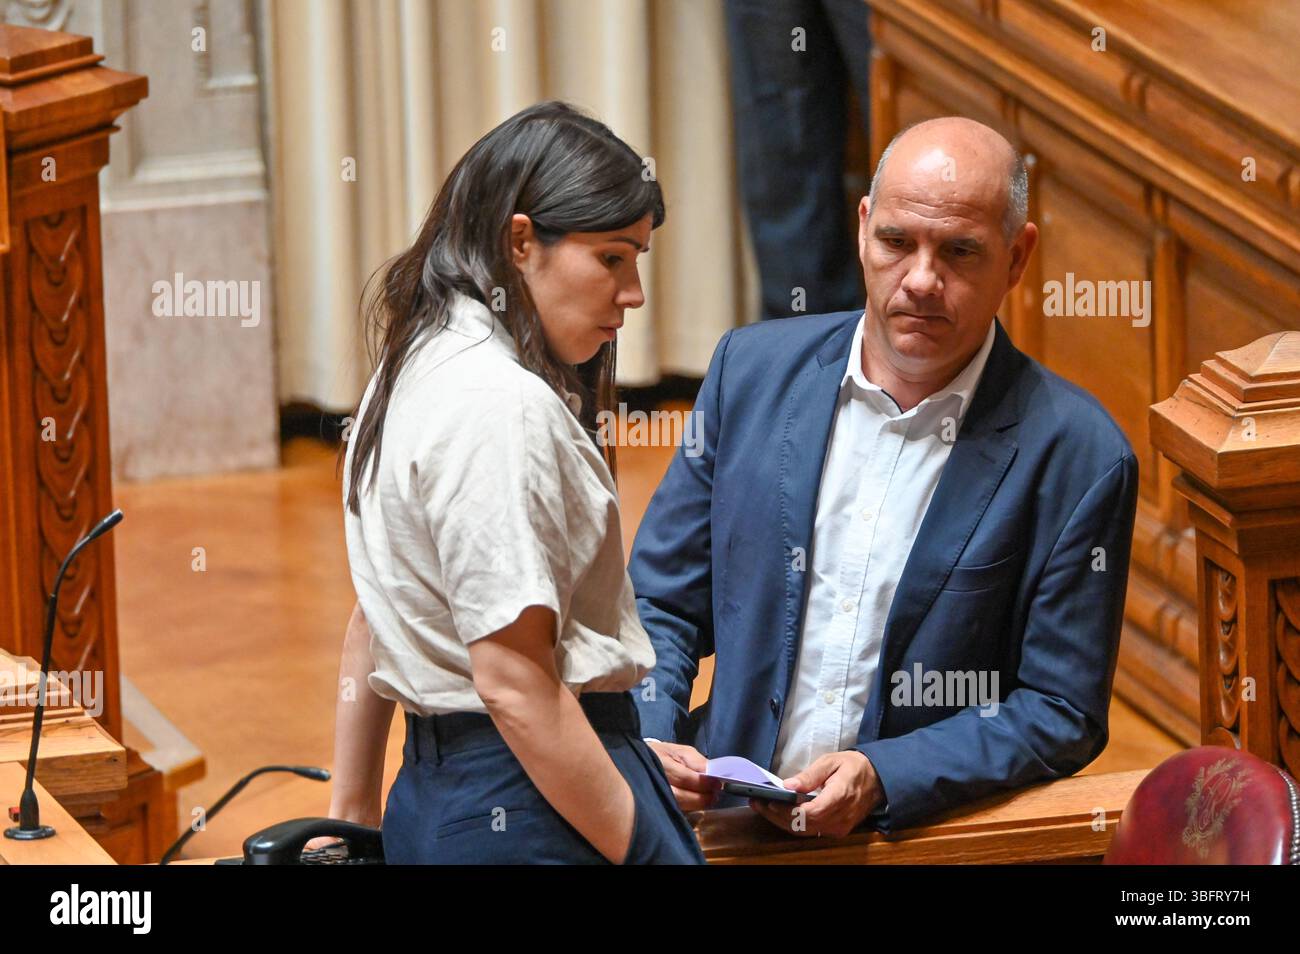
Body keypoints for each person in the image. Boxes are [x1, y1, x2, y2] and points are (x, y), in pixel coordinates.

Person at [631, 116, 1139, 837]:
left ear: (1018, 258)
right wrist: (650, 732)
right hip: (728, 831)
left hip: (906, 842)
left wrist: (885, 775)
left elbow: (1059, 709)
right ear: (864, 227)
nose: (923, 280)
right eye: (898, 242)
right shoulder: (748, 373)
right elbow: (661, 603)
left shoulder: (1081, 456)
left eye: (960, 251)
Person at [324, 101, 705, 864]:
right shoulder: (498, 406)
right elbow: (515, 689)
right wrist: (651, 852)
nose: (632, 294)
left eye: (639, 262)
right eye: (611, 259)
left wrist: (353, 820)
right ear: (521, 240)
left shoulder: (412, 364)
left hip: (449, 796)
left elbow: (376, 617)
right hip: (522, 813)